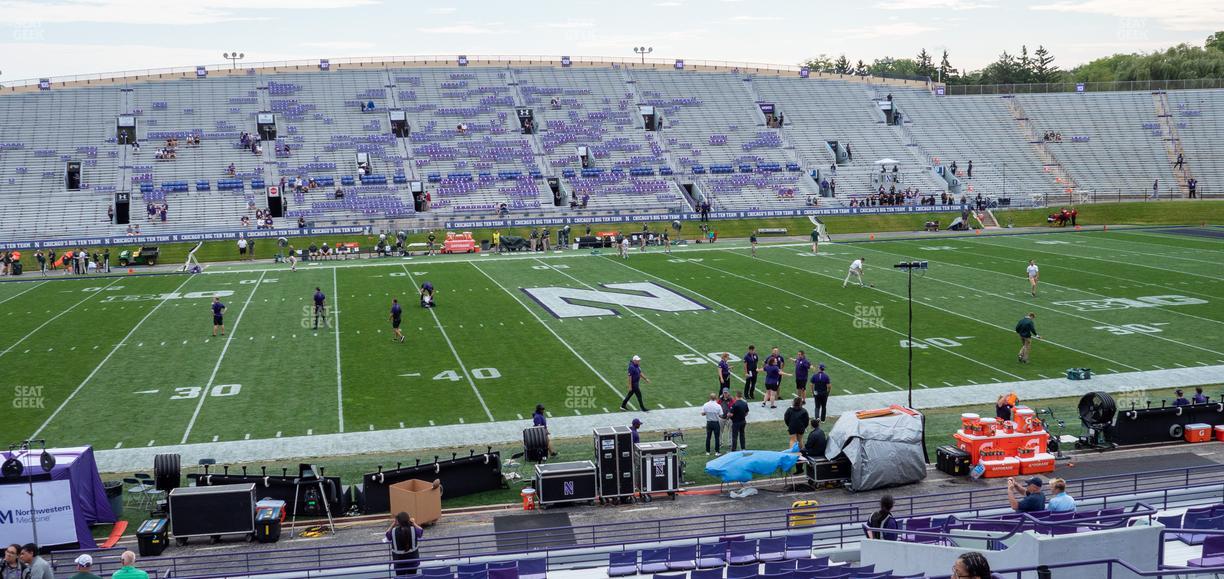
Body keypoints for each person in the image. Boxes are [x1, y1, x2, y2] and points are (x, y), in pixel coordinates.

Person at [387, 511, 424, 577]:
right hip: (413, 562)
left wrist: (393, 524)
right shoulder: (414, 530)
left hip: (399, 563)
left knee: (400, 577)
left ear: (398, 521)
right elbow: (421, 531)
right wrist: (414, 523)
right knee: (412, 577)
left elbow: (387, 535)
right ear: (408, 520)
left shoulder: (393, 531)